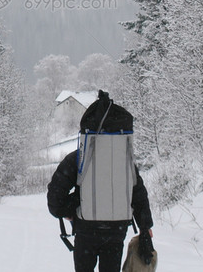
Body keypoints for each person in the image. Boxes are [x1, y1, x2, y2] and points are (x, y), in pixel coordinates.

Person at [47, 91, 155, 272]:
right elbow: (138, 192)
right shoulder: (125, 160)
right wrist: (145, 227)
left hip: (86, 229)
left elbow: (55, 195)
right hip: (117, 229)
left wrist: (70, 210)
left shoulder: (78, 158)